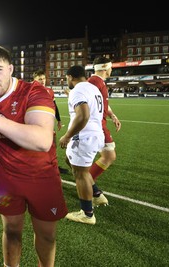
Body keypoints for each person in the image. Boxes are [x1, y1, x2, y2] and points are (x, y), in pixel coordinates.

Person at [0, 45, 68, 267]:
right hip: (7, 180)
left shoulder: (35, 92)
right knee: (11, 231)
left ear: (11, 68)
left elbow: (42, 141)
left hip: (42, 178)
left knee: (47, 235)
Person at [59, 65, 104, 225]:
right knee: (69, 161)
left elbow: (83, 115)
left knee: (80, 173)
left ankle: (87, 214)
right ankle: (97, 194)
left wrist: (67, 135)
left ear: (70, 77)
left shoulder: (78, 90)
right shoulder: (93, 88)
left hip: (84, 136)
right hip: (95, 134)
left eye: (66, 78)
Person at [87, 56, 122, 207]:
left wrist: (112, 115)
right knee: (108, 156)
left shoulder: (99, 82)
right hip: (95, 125)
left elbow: (104, 104)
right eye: (110, 67)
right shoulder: (94, 82)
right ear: (104, 68)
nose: (111, 69)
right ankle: (88, 183)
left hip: (100, 124)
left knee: (108, 155)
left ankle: (88, 183)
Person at [33, 70, 69, 175]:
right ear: (34, 80)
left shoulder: (49, 91)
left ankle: (52, 165)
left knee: (52, 144)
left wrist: (59, 120)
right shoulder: (30, 90)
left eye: (44, 78)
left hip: (49, 123)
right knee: (38, 145)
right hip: (36, 123)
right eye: (40, 79)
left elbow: (54, 106)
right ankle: (39, 165)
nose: (42, 81)